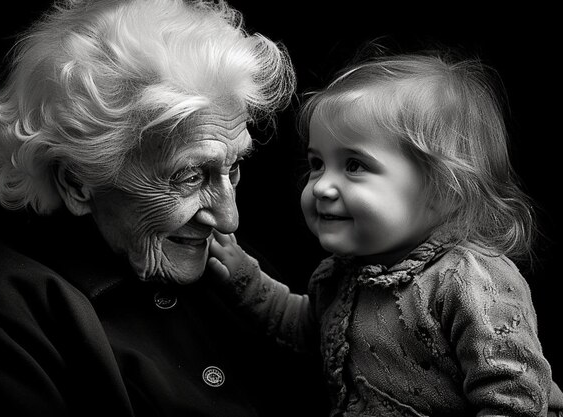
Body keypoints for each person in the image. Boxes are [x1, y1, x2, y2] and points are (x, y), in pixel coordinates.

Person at [0, 0, 329, 416]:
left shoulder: (230, 266)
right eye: (189, 176)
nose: (229, 218)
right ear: (77, 181)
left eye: (232, 169)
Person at [209, 47, 563, 416]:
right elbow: (307, 329)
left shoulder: (470, 281)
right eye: (317, 163)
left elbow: (515, 396)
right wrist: (245, 279)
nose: (320, 187)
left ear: (444, 190)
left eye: (354, 165)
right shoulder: (340, 274)